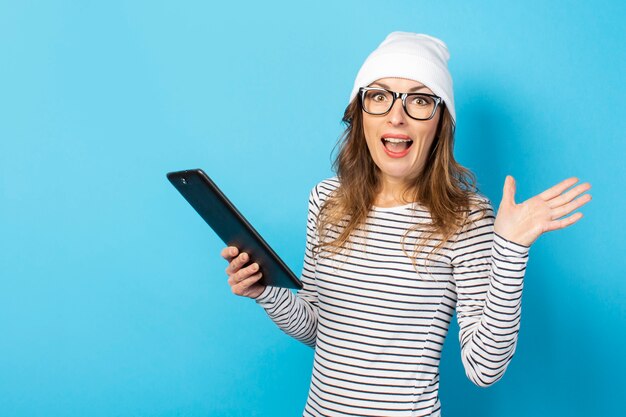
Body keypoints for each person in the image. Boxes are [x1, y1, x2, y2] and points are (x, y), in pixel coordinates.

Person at [220, 32, 591, 417]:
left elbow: (484, 368)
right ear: (360, 112)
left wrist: (510, 252)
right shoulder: (326, 199)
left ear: (440, 123)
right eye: (379, 96)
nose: (396, 116)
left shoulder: (467, 217)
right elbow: (318, 329)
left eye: (419, 100)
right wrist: (266, 291)